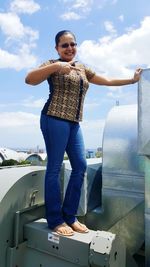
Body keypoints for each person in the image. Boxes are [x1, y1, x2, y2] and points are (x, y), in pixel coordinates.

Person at [25, 30, 142, 236]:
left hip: (74, 123)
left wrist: (131, 80)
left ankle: (70, 216)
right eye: (64, 45)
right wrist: (55, 66)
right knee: (53, 167)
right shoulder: (52, 63)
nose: (69, 48)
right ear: (57, 48)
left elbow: (106, 80)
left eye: (73, 44)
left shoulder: (81, 68)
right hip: (54, 118)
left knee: (81, 165)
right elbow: (29, 79)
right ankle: (55, 219)